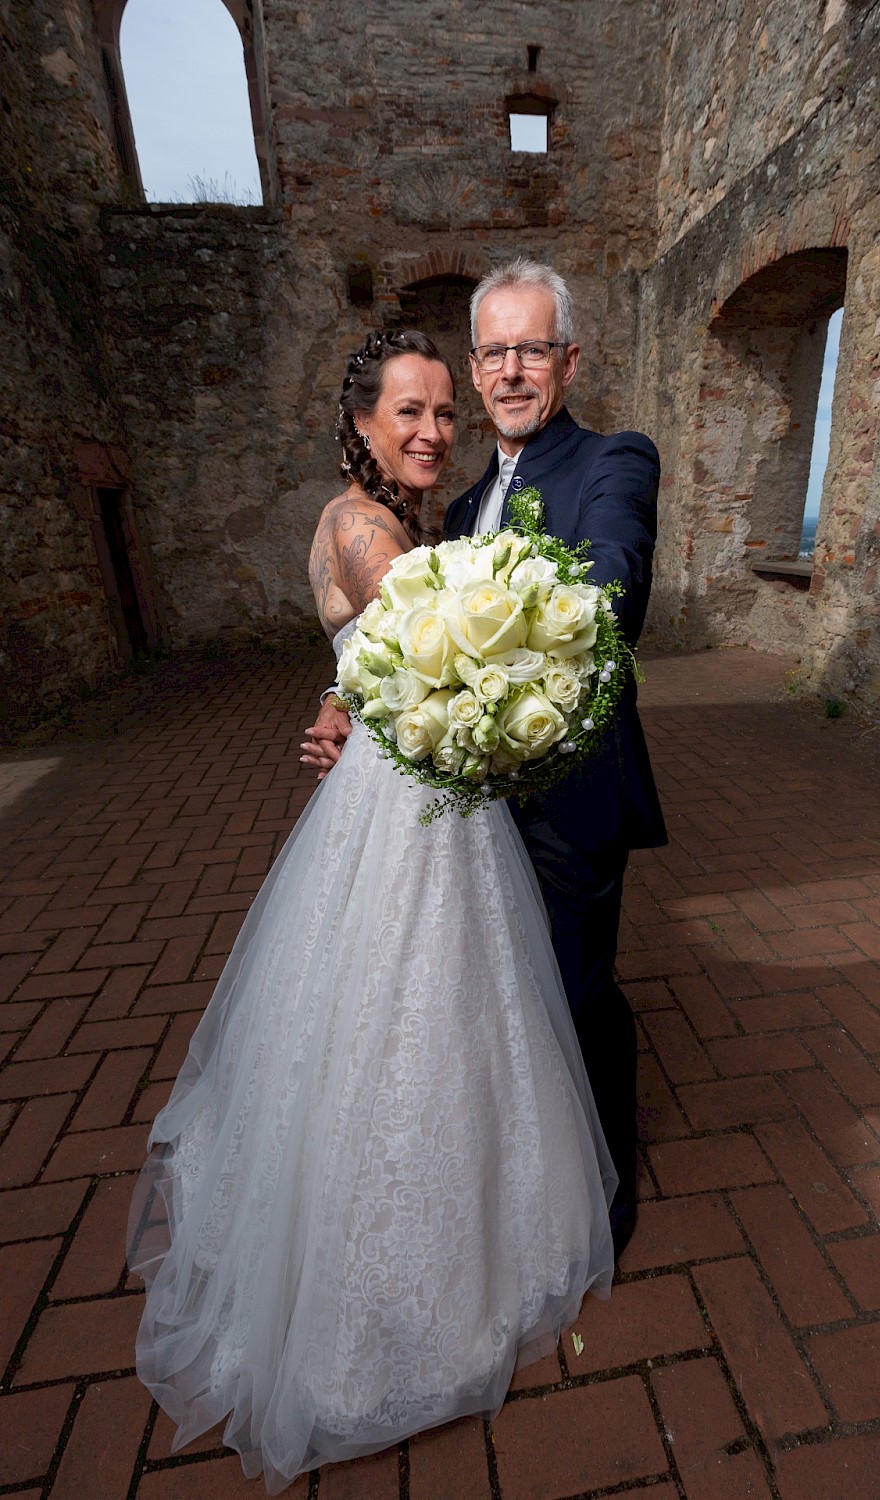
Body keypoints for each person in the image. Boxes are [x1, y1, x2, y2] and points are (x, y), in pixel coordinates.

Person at [128, 330, 616, 1495]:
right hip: (406, 817)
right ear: (359, 420)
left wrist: (337, 700)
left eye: (445, 413)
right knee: (395, 1016)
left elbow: (369, 663)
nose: (433, 433)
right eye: (409, 412)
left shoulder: (404, 523)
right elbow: (427, 648)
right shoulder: (363, 524)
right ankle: (376, 1306)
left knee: (447, 1012)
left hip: (423, 796)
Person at [305, 261, 667, 1257]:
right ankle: (518, 1173)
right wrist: (346, 694)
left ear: (568, 360)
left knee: (575, 990)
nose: (513, 371)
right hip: (467, 808)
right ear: (476, 365)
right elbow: (396, 634)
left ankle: (599, 1195)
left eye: (533, 349)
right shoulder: (460, 509)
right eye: (496, 351)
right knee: (491, 1000)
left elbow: (613, 588)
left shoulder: (612, 462)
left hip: (571, 792)